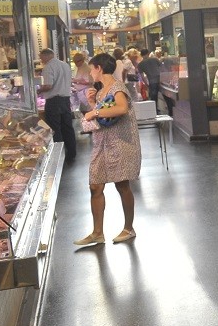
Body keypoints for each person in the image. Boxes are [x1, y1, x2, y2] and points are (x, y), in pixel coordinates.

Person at [74, 53, 141, 246]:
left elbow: (120, 109)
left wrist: (93, 111)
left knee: (122, 184)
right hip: (102, 143)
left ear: (99, 68)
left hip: (120, 143)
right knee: (95, 185)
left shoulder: (118, 87)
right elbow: (104, 118)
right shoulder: (102, 90)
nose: (90, 74)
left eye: (92, 69)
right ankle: (97, 233)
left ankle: (129, 228)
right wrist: (94, 102)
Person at [36, 48, 76, 165]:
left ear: (46, 56)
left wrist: (38, 90)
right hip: (65, 99)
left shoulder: (48, 67)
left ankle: (59, 156)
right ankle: (72, 153)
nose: (40, 60)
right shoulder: (65, 65)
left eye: (40, 57)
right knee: (67, 127)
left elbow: (48, 85)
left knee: (55, 129)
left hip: (54, 101)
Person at [137, 47, 162, 113]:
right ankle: (170, 111)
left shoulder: (140, 64)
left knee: (153, 97)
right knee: (165, 96)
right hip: (160, 79)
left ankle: (154, 110)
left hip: (152, 81)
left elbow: (142, 76)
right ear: (148, 53)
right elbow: (162, 68)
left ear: (141, 55)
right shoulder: (155, 59)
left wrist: (146, 84)